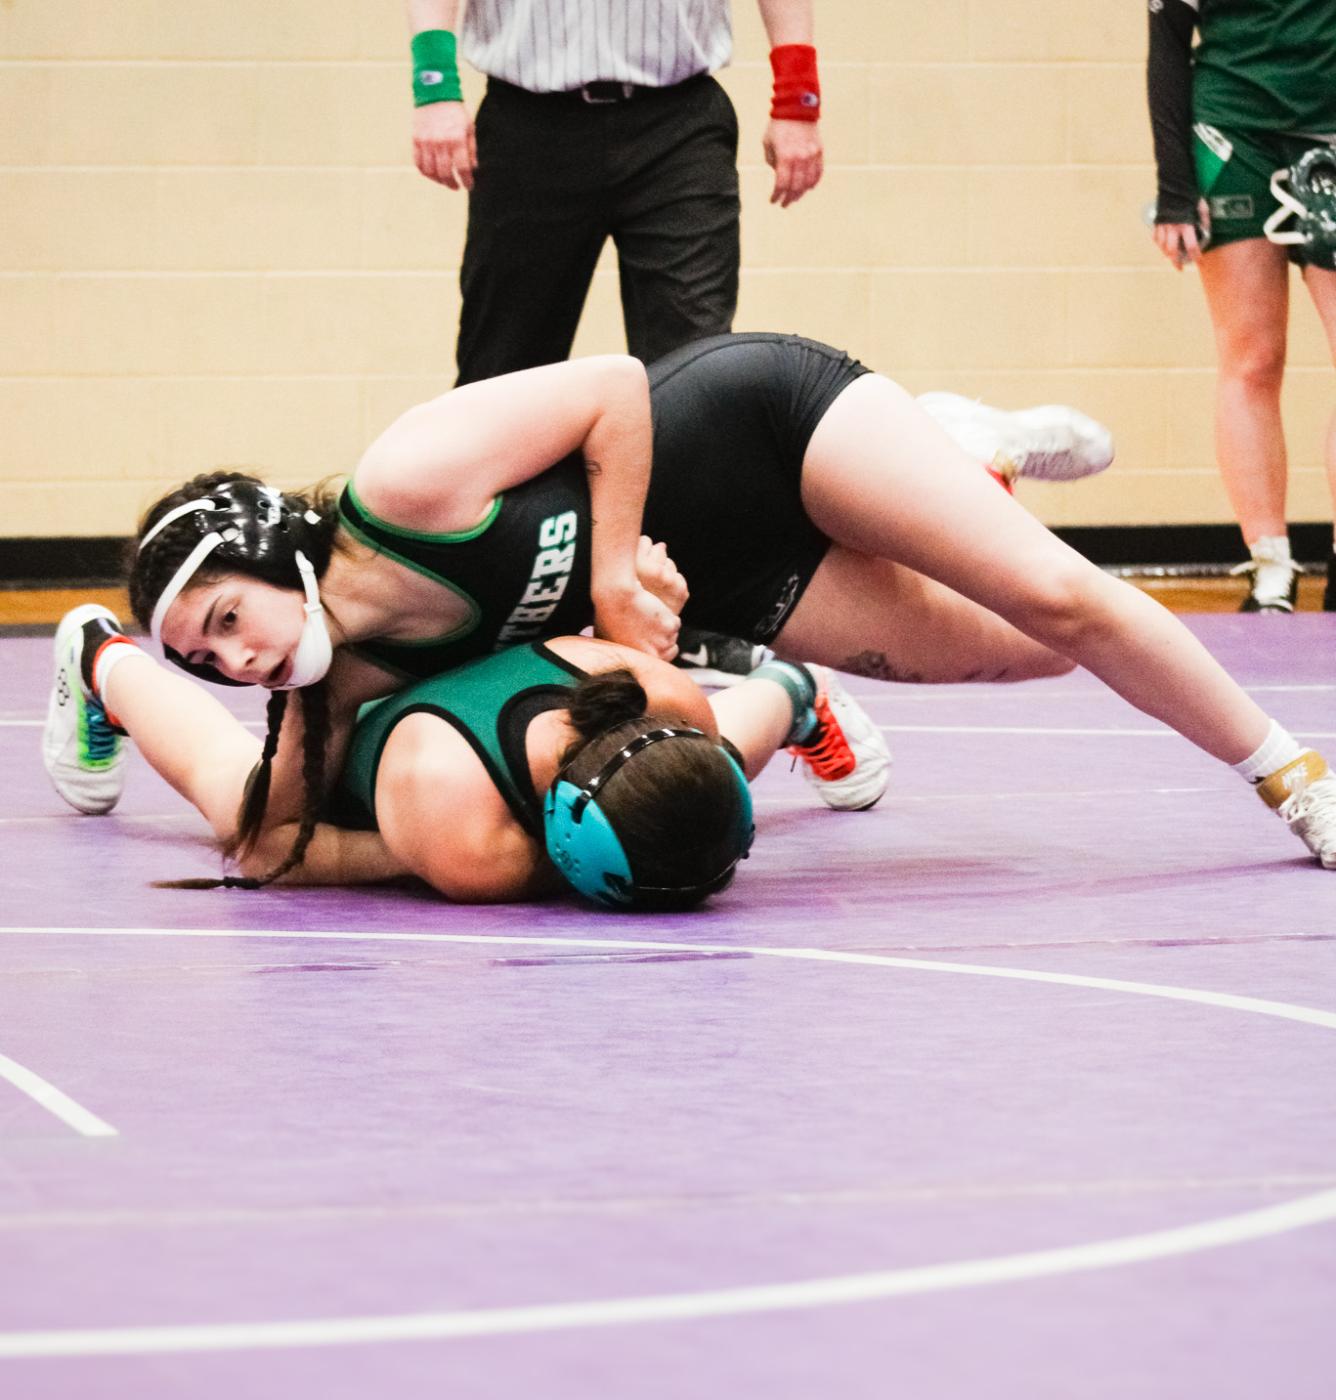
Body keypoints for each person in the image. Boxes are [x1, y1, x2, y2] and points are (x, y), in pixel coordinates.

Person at [44, 333, 1336, 874]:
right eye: (200, 662)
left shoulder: (407, 483)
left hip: (760, 427)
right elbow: (264, 824)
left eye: (221, 620)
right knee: (1017, 658)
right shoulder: (352, 678)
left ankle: (1292, 776)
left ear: (272, 552)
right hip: (737, 574)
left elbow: (612, 383)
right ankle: (972, 458)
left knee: (1065, 600)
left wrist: (610, 567)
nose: (233, 659)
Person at [45, 616, 826, 908]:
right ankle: (102, 658)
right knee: (238, 801)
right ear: (571, 849)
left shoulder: (667, 701)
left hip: (454, 692)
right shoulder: (466, 846)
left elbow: (703, 768)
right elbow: (270, 851)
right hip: (370, 736)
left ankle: (790, 688)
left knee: (714, 751)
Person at [407, 0, 823, 380]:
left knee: (694, 365)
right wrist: (434, 85)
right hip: (528, 122)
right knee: (503, 367)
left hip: (678, 125)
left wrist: (797, 98)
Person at [1147, 0, 1336, 613]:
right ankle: (1271, 568)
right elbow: (1168, 46)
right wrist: (1175, 188)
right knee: (1251, 356)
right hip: (1232, 133)